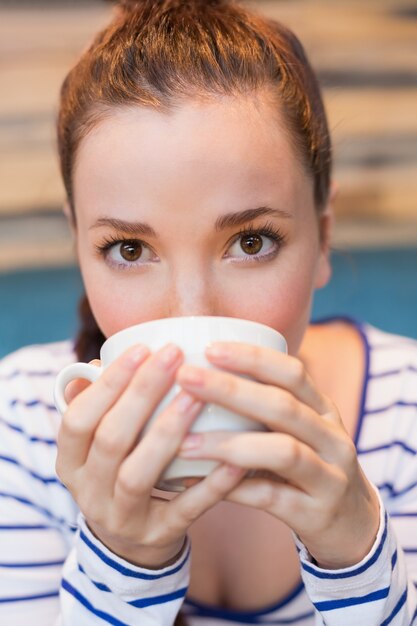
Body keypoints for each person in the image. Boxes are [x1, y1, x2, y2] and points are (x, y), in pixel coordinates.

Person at [1, 0, 417, 624]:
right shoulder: (22, 429)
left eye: (251, 242)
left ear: (324, 237)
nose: (192, 312)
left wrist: (358, 558)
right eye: (130, 249)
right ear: (79, 244)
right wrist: (123, 561)